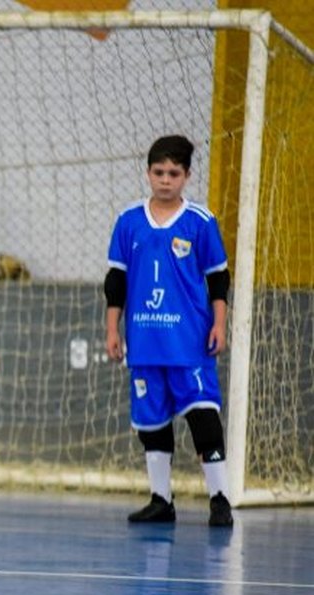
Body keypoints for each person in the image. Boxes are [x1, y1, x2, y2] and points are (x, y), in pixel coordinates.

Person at [105, 134, 233, 527]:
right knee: (152, 422)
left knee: (203, 417)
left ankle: (220, 499)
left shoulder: (200, 222)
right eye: (158, 172)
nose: (165, 180)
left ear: (186, 176)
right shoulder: (128, 222)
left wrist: (220, 323)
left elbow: (217, 279)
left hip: (189, 342)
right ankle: (161, 499)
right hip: (144, 342)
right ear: (148, 173)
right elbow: (116, 280)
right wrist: (113, 329)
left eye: (173, 173)